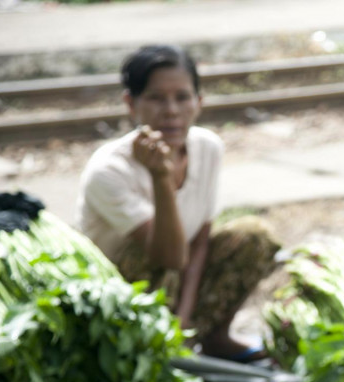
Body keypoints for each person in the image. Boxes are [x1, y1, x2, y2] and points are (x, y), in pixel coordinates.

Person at [76, 45, 279, 360]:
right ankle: (144, 350)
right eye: (156, 98)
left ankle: (213, 338)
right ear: (131, 104)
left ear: (198, 103)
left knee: (253, 234)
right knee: (151, 250)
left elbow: (199, 241)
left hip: (178, 275)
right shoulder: (108, 171)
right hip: (122, 290)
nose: (171, 111)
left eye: (182, 97)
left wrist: (184, 319)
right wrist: (161, 176)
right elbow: (168, 255)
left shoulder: (207, 147)